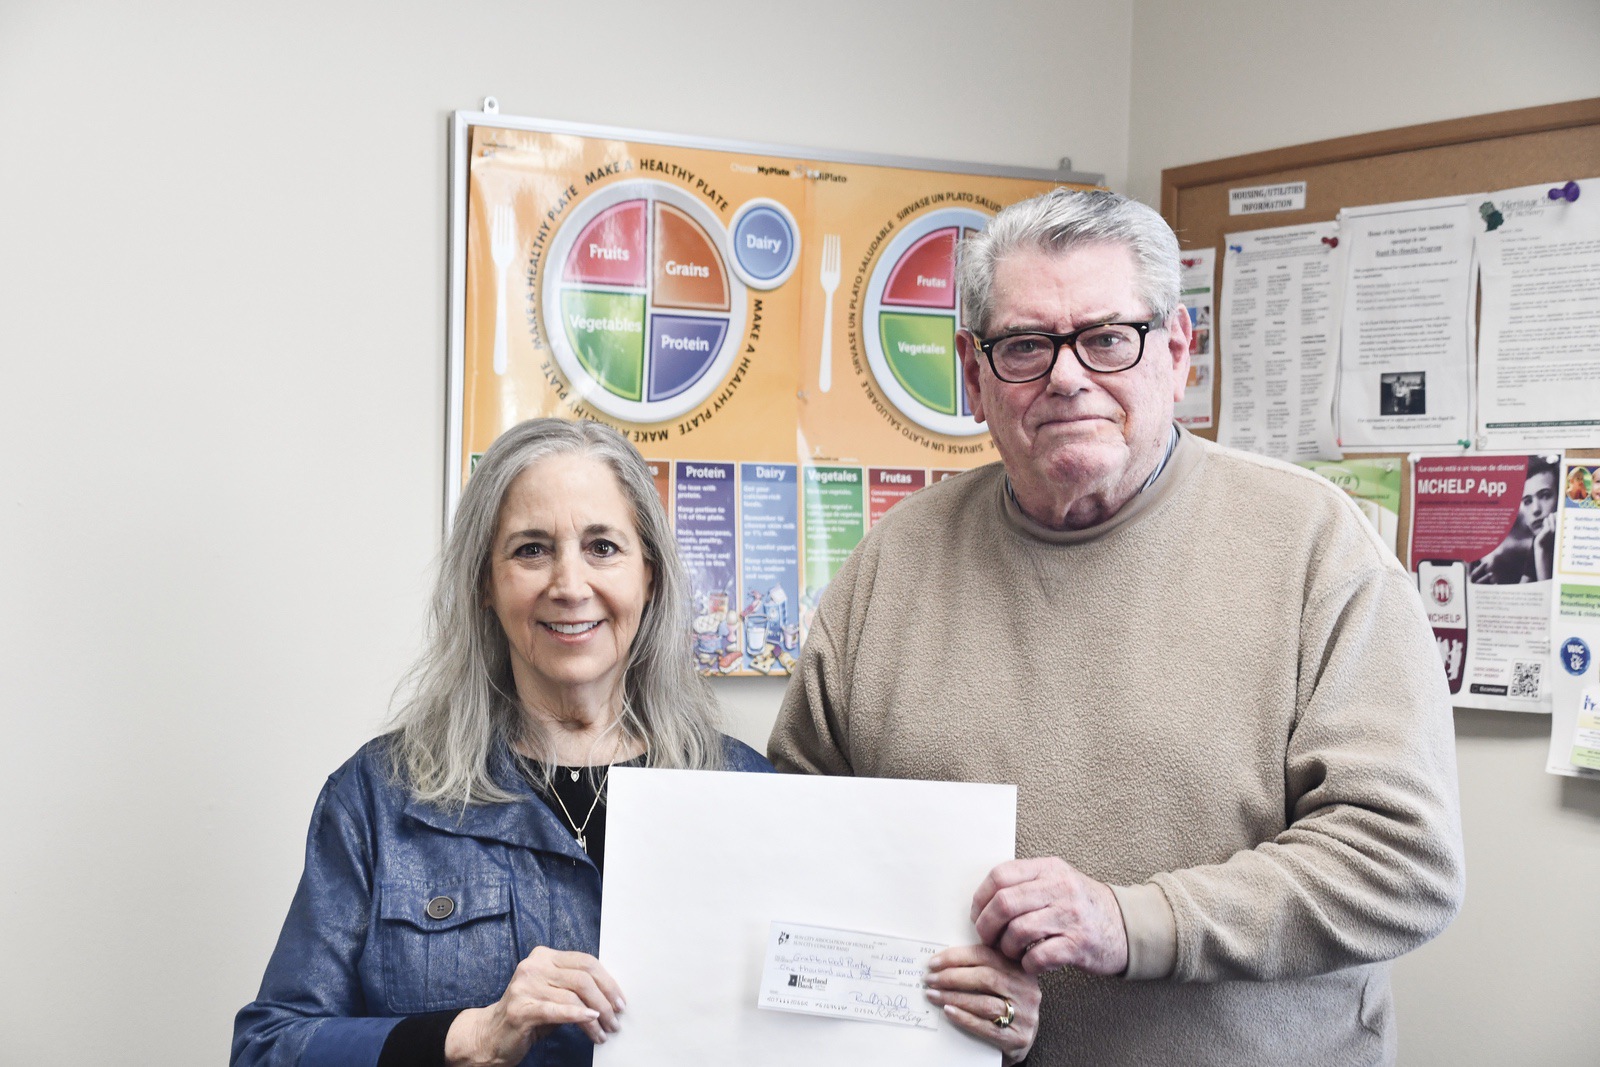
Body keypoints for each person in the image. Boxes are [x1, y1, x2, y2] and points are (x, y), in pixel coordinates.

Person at [770, 189, 1465, 1065]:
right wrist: (919, 978)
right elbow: (799, 842)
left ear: (1178, 353)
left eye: (1107, 337)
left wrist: (1132, 923)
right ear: (975, 373)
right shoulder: (893, 561)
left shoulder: (1316, 547)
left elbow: (1401, 860)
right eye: (1025, 345)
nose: (1067, 376)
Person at [232, 419, 774, 1067]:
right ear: (485, 583)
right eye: (531, 549)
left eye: (602, 546)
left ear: (649, 578)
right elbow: (266, 1047)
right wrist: (468, 1037)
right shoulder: (378, 796)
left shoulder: (748, 791)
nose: (570, 584)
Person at [1470, 456, 1558, 584]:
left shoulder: (1549, 543)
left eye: (1545, 495)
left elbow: (1547, 601)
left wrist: (1542, 550)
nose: (1535, 509)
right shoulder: (1540, 539)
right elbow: (1525, 596)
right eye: (1527, 501)